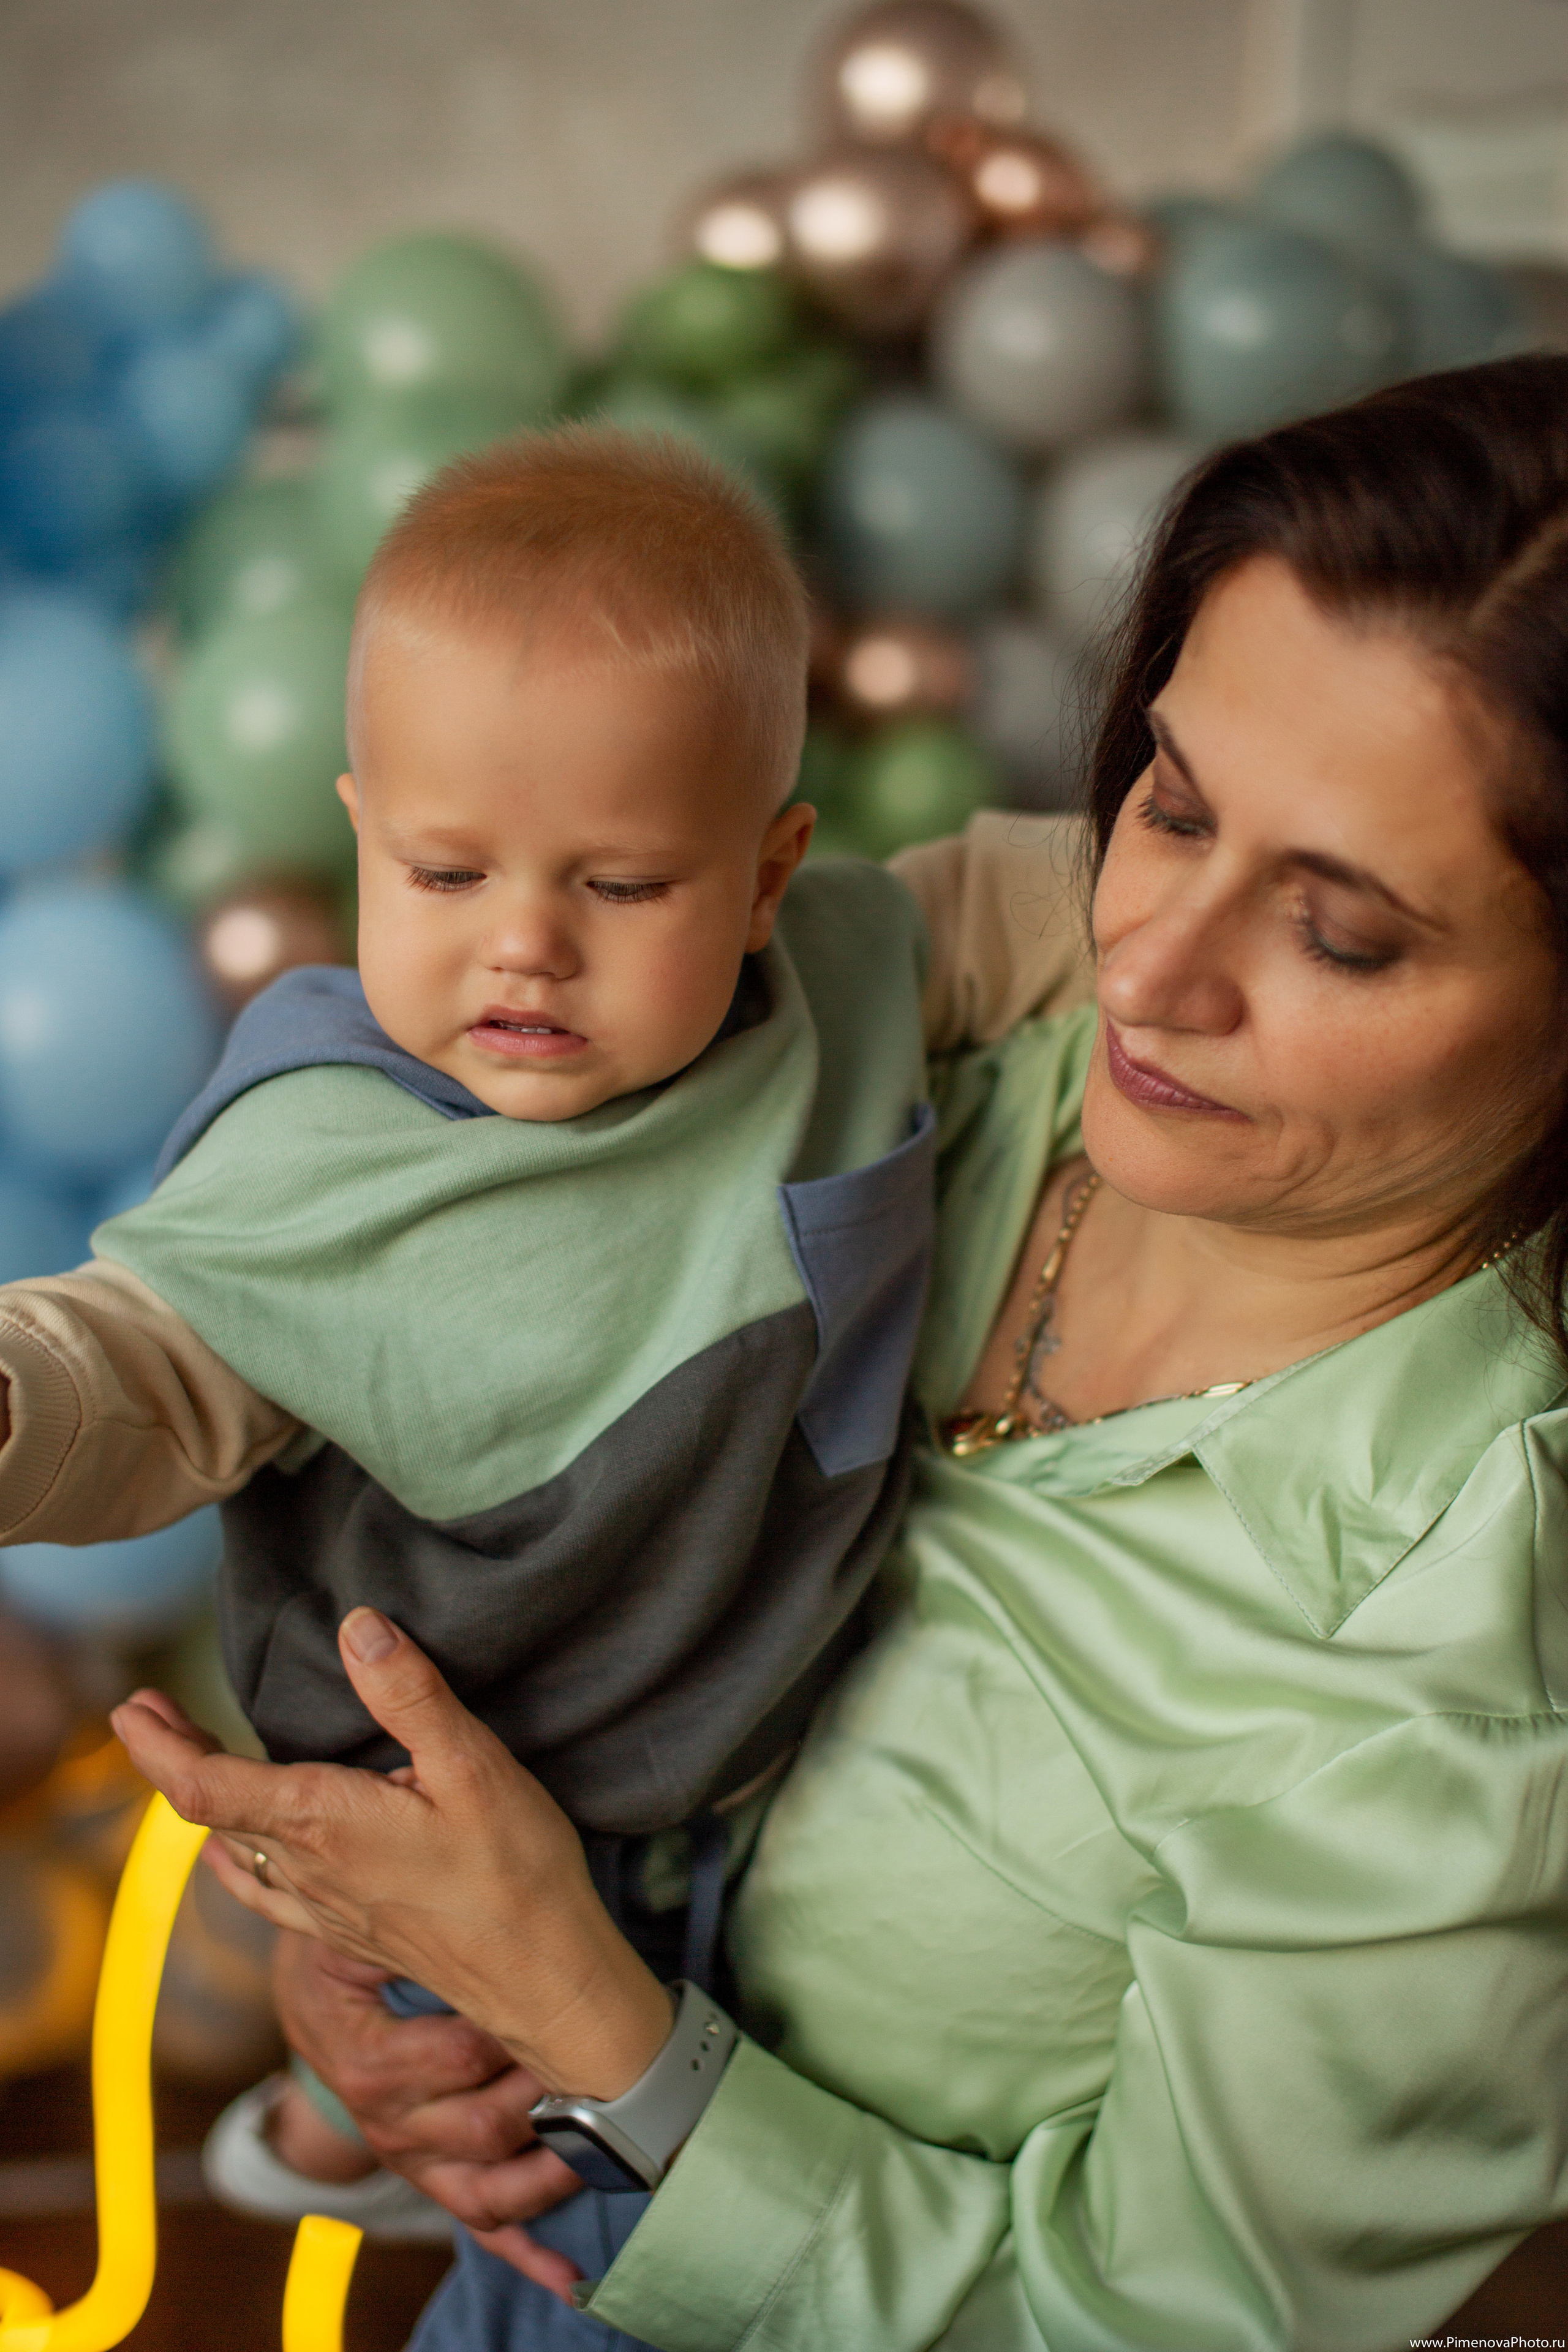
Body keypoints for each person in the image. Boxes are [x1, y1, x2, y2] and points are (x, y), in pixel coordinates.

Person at [116, 352, 1568, 2350]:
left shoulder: (1474, 1660)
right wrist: (395, 1980)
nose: (1149, 962)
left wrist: (601, 2030)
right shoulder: (900, 1049)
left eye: (1340, 933)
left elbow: (1157, 2322)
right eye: (1168, 803)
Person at [0, 425, 1080, 2229]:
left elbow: (1082, 899)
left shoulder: (850, 967)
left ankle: (342, 2149)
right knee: (564, 2225)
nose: (524, 946)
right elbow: (137, 1359)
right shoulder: (330, 1153)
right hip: (464, 1838)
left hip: (753, 1793)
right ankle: (363, 2155)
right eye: (444, 875)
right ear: (358, 836)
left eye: (621, 885)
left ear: (766, 873)